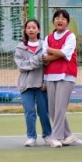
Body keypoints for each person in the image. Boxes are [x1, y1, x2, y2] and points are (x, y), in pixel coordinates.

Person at [14, 18, 53, 147]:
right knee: (29, 111)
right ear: (25, 30)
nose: (31, 29)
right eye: (28, 27)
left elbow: (47, 63)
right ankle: (31, 137)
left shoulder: (45, 45)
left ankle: (47, 135)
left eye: (34, 27)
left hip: (41, 84)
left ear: (38, 30)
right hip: (26, 85)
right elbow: (21, 66)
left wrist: (45, 81)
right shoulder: (20, 47)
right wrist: (37, 60)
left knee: (44, 111)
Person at [43, 10, 79, 147]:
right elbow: (44, 55)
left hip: (66, 76)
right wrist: (57, 53)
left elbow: (65, 53)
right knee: (53, 109)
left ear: (67, 22)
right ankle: (69, 135)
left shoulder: (71, 36)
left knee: (60, 108)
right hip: (50, 75)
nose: (60, 20)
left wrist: (51, 51)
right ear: (54, 21)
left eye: (63, 18)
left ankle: (56, 137)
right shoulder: (49, 37)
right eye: (57, 18)